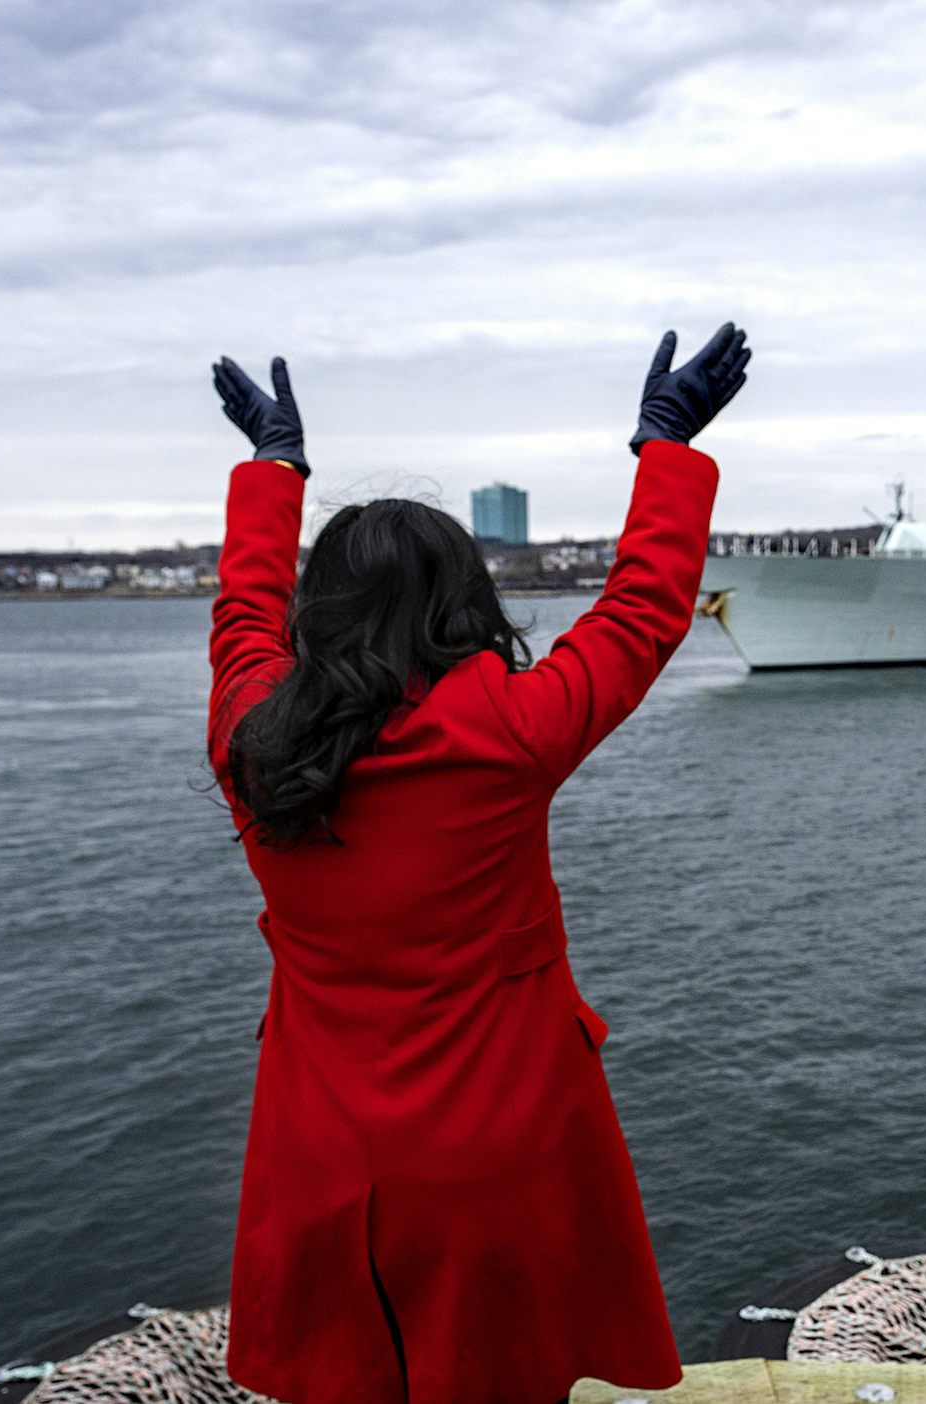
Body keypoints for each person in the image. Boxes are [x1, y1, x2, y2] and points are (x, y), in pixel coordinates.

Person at [204, 323, 750, 1404]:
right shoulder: (509, 729)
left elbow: (240, 619)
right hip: (500, 1157)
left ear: (320, 613)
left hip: (320, 1158)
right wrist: (666, 445)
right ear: (465, 604)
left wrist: (273, 467)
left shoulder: (252, 740)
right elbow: (643, 610)